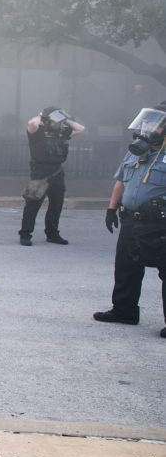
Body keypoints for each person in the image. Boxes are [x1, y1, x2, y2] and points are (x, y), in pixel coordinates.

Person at [94, 103, 166, 339]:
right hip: (131, 219)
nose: (147, 128)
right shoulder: (137, 151)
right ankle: (124, 311)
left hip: (159, 223)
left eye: (153, 124)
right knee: (126, 267)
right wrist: (111, 208)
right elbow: (121, 180)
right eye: (146, 122)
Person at [19, 106, 86, 246]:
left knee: (56, 205)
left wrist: (65, 119)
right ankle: (25, 234)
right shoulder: (38, 132)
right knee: (33, 204)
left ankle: (52, 234)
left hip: (57, 172)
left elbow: (80, 129)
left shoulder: (61, 132)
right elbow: (32, 124)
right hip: (40, 172)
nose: (57, 124)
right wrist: (43, 116)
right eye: (55, 121)